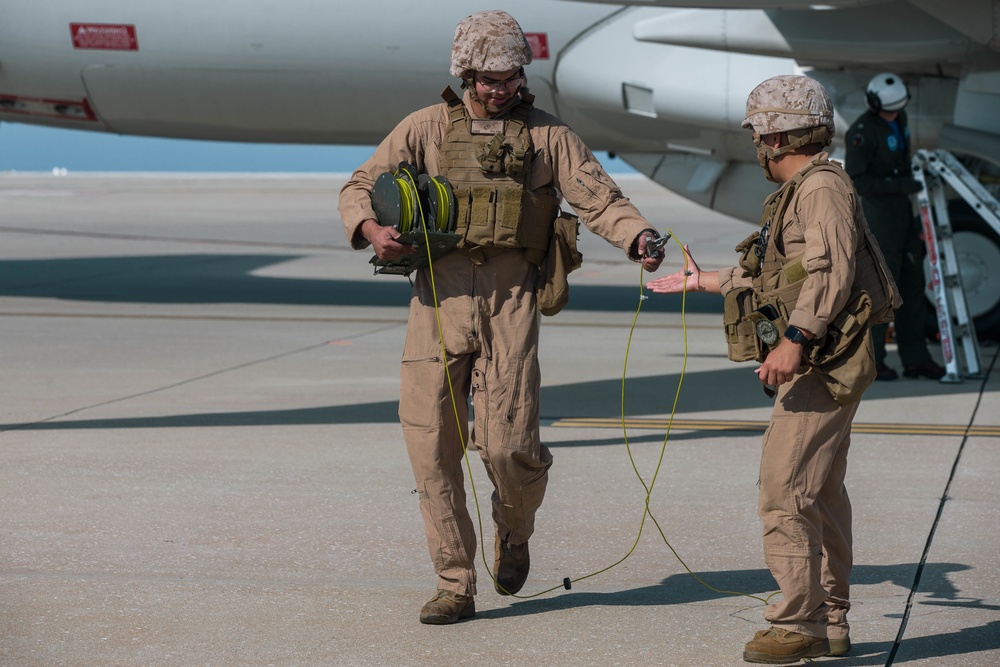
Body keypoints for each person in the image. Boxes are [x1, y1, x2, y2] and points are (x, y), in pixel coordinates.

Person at [338, 10, 664, 625]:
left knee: (510, 448)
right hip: (437, 302)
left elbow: (600, 197)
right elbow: (360, 184)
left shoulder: (548, 137)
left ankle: (514, 532)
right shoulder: (426, 128)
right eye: (488, 78)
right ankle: (454, 582)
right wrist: (370, 228)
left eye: (510, 76)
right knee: (432, 449)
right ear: (465, 72)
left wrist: (639, 237)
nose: (499, 88)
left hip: (510, 304)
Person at [647, 75, 898, 664]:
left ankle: (798, 623)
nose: (758, 147)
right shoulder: (804, 191)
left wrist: (793, 339)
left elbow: (830, 272)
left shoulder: (820, 190)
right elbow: (775, 278)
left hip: (822, 360)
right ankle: (831, 621)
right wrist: (705, 280)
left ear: (776, 137)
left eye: (760, 135)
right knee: (822, 492)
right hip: (826, 355)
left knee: (784, 491)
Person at [845, 72, 945, 381]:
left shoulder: (899, 119)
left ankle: (915, 358)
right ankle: (874, 360)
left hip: (903, 213)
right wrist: (900, 184)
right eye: (888, 110)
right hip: (880, 217)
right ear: (875, 105)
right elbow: (857, 179)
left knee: (913, 285)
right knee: (881, 290)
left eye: (897, 109)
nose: (893, 113)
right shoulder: (861, 132)